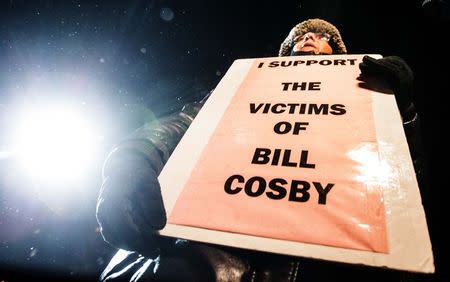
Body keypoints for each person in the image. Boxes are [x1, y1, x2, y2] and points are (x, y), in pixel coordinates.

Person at [96, 18, 426, 281]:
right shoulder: (247, 87)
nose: (308, 37)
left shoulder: (365, 100)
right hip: (196, 259)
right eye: (300, 36)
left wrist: (401, 114)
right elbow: (186, 123)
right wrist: (134, 156)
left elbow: (397, 189)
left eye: (320, 36)